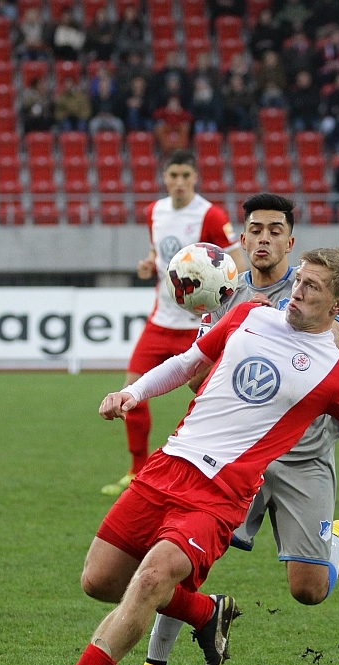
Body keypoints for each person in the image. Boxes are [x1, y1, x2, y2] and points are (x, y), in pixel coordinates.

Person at [41, 246, 339, 665]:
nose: (296, 291)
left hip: (220, 495)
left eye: (311, 287)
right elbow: (187, 364)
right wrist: (132, 392)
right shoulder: (248, 315)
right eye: (299, 279)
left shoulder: (338, 374)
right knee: (100, 581)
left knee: (152, 579)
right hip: (167, 466)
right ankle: (205, 613)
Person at [120, 192, 339, 665]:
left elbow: (330, 343)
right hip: (232, 458)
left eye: (276, 231)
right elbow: (197, 377)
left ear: (290, 243)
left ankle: (335, 540)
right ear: (243, 238)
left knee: (308, 591)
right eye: (255, 229)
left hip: (301, 456)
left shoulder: (309, 293)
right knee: (184, 553)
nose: (264, 239)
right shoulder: (223, 292)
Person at [101, 149, 246, 497]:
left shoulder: (211, 215)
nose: (179, 182)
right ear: (164, 178)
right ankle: (136, 470)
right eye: (173, 176)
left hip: (200, 326)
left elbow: (238, 265)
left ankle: (218, 468)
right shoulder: (154, 211)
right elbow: (160, 253)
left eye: (185, 176)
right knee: (131, 392)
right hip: (160, 321)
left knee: (211, 398)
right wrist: (149, 263)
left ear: (195, 178)